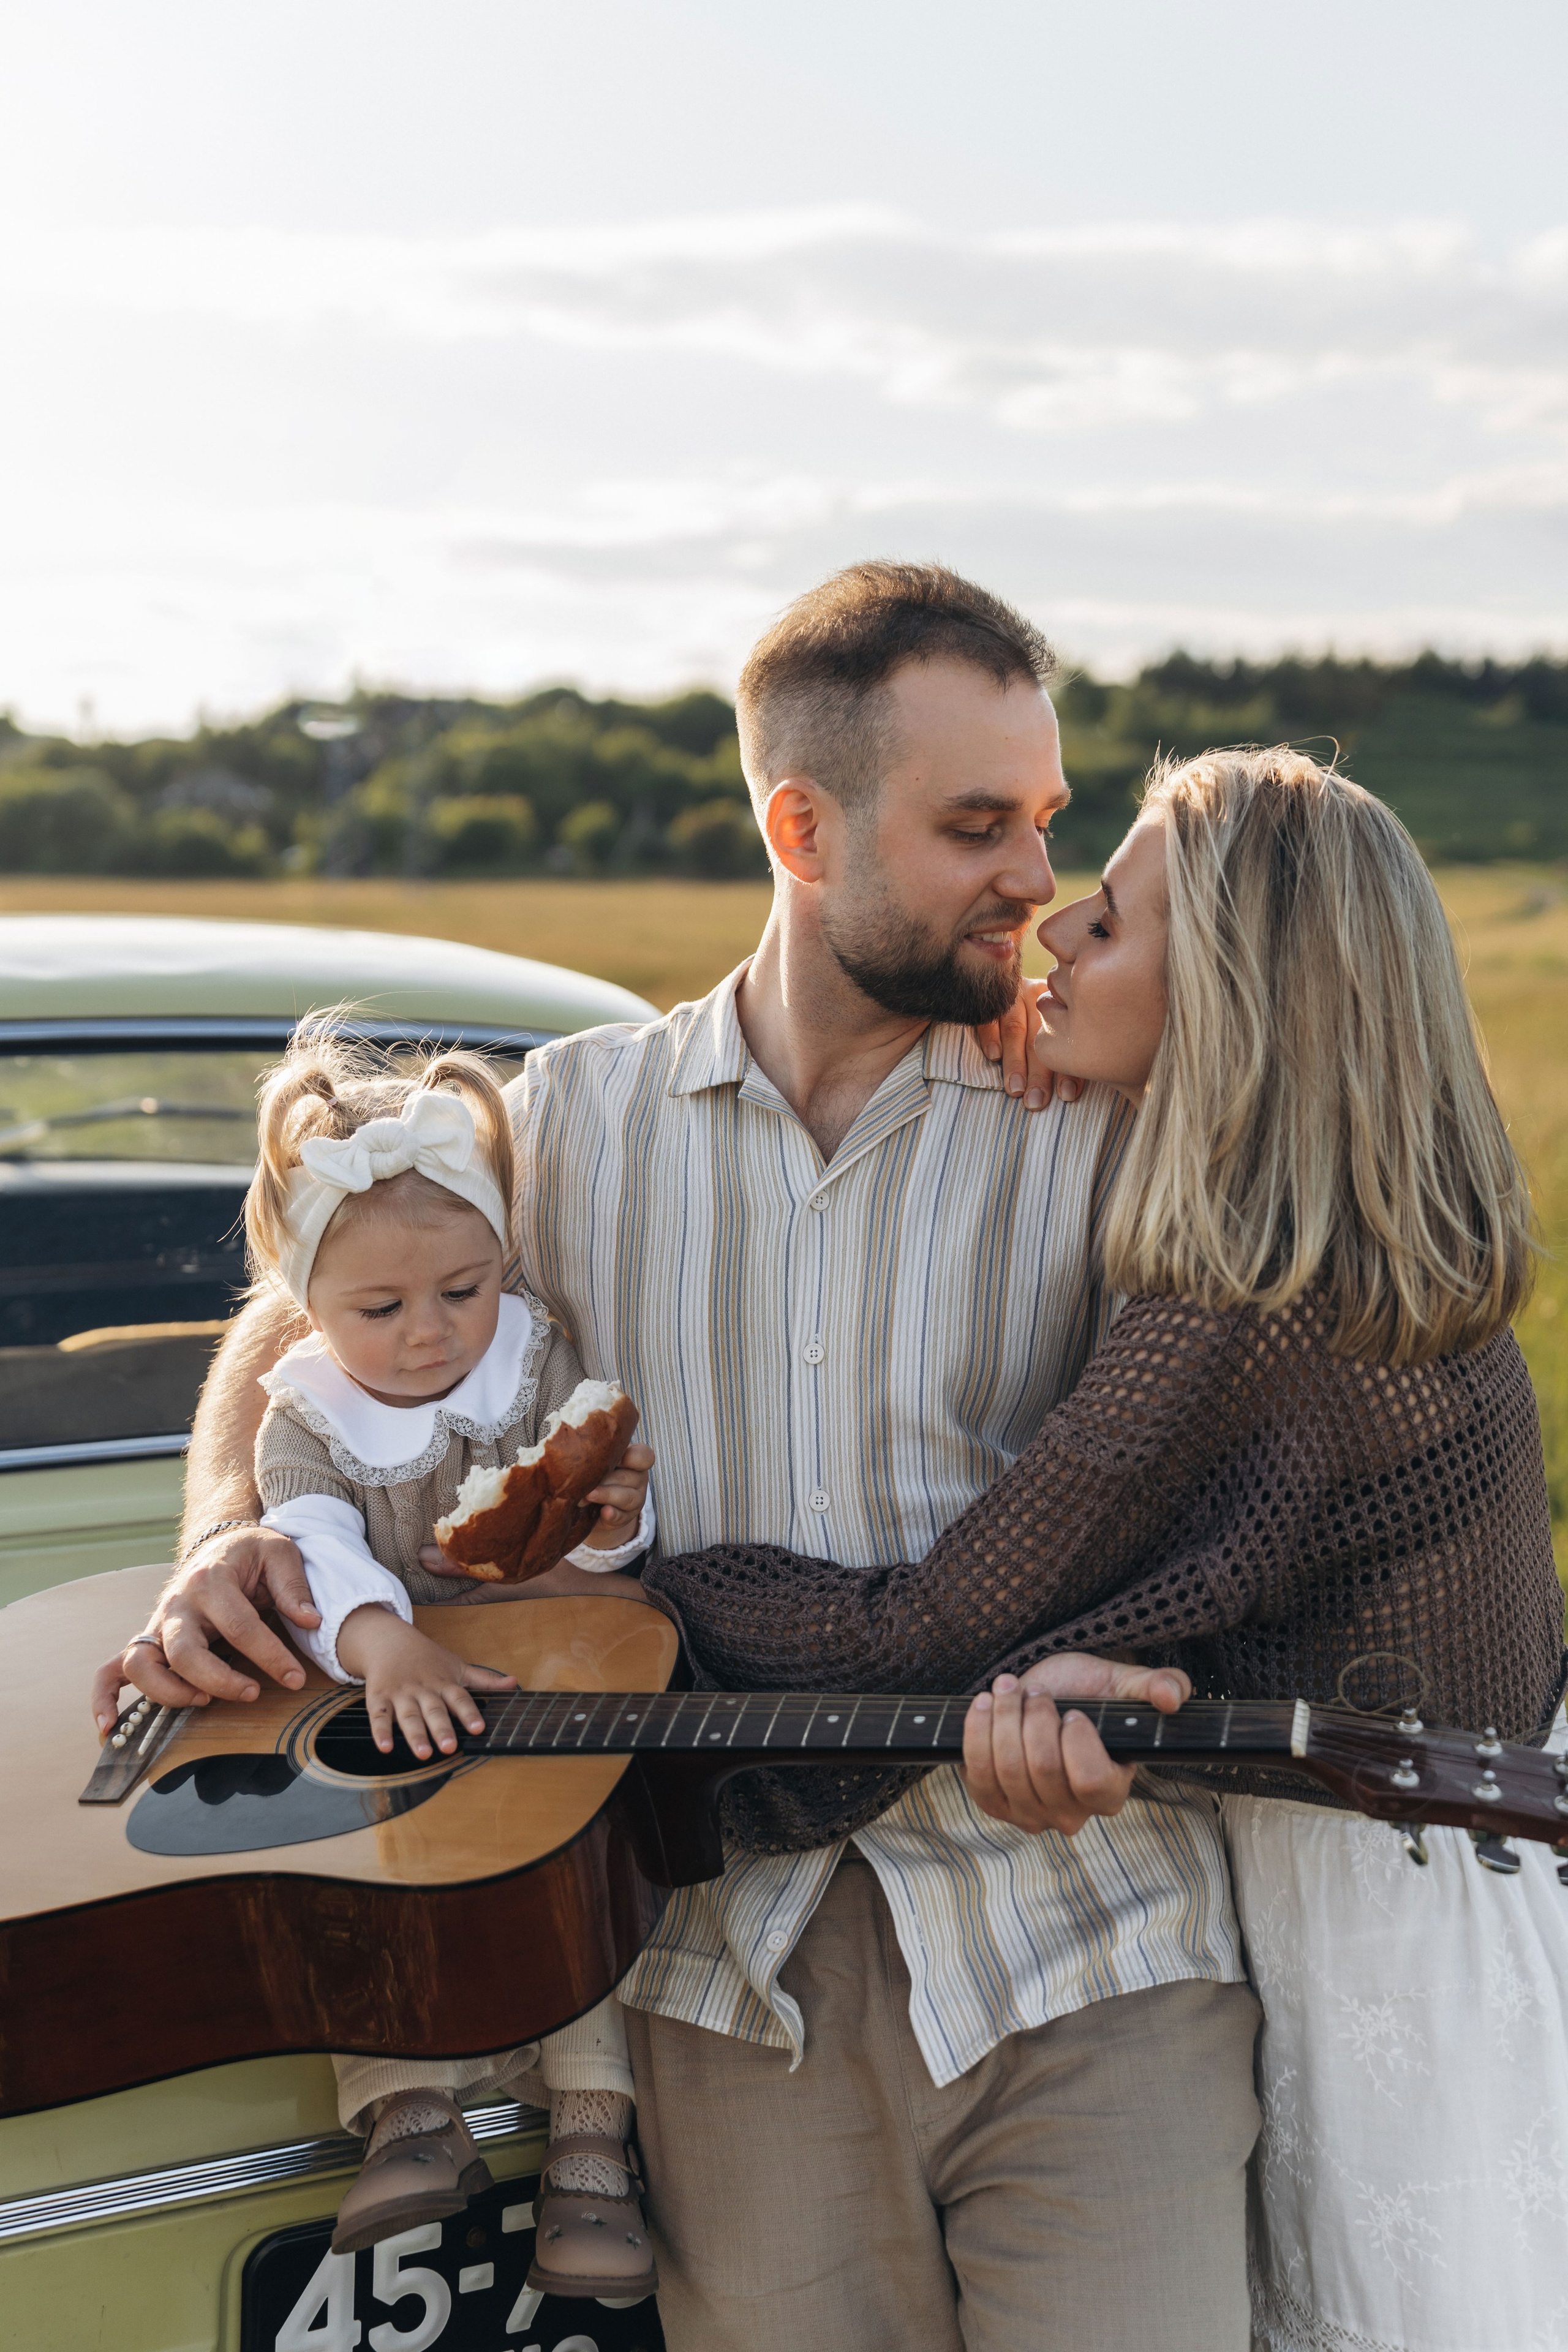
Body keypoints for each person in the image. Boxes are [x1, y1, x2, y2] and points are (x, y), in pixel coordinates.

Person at [96, 563, 1261, 2352]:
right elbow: (294, 1324)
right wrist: (225, 1530)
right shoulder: (558, 1129)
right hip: (724, 1986)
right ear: (804, 824)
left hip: (1091, 1951)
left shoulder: (1095, 1114)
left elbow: (1251, 1457)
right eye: (976, 827)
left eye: (1043, 821)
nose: (1036, 880)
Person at [643, 745, 1568, 2352]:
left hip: (1382, 1938)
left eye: (1115, 927)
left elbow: (918, 1635)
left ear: (1232, 998)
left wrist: (614, 1596)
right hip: (1472, 1880)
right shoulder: (1371, 1256)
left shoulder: (1237, 1318)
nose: (1057, 934)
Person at [235, 1017, 659, 2297]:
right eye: (380, 1307)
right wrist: (382, 1645)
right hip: (397, 1702)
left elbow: (588, 1549)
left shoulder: (532, 1368)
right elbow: (310, 1542)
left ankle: (591, 2148)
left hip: (541, 1695)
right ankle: (409, 2113)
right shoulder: (309, 1413)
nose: (429, 1334)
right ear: (306, 1305)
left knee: (574, 1895)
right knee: (373, 1890)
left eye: (460, 1291)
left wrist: (610, 1528)